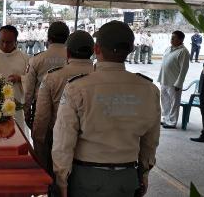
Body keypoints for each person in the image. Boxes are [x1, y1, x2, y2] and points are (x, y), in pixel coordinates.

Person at [52, 21, 160, 197]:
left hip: (86, 180)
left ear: (97, 49)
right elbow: (150, 142)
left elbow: (64, 140)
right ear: (131, 49)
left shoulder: (77, 88)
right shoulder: (149, 89)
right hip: (127, 178)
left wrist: (61, 179)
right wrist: (144, 174)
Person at [33, 30, 94, 182]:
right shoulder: (101, 76)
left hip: (58, 142)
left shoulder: (53, 77)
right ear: (93, 51)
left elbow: (42, 117)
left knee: (59, 184)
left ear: (67, 53)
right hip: (93, 146)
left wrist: (39, 145)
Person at [23, 21, 70, 129]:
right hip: (67, 109)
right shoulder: (72, 59)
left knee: (41, 142)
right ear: (67, 37)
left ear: (48, 38)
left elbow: (29, 90)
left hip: (40, 108)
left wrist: (26, 112)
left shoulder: (37, 59)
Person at [158, 30, 190, 129]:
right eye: (171, 37)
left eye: (174, 38)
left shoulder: (183, 51)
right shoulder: (168, 49)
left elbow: (184, 69)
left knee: (174, 103)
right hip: (164, 80)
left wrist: (179, 83)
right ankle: (166, 119)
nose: (171, 40)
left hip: (174, 83)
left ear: (180, 40)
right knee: (165, 101)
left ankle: (172, 122)